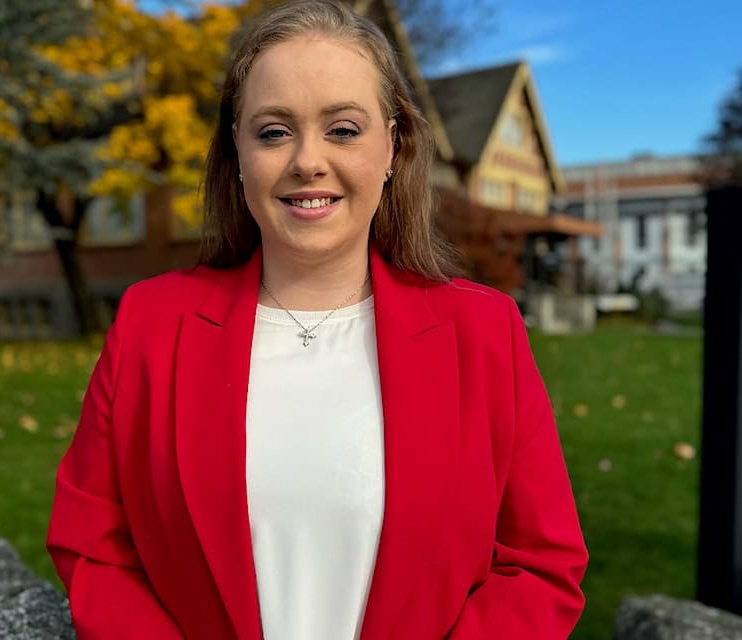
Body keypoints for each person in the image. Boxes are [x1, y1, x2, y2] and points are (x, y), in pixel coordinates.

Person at [46, 0, 588, 637]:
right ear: (238, 152)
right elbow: (94, 546)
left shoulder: (485, 332)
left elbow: (539, 565)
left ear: (393, 146)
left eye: (344, 130)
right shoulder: (150, 325)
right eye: (274, 132)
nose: (308, 160)